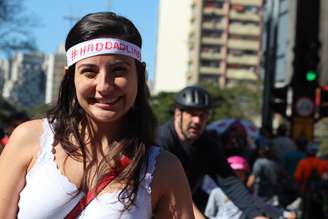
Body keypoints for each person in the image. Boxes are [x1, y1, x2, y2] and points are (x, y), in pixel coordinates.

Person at [0, 12, 195, 218]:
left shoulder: (164, 169)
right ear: (70, 77)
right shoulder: (29, 139)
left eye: (118, 70)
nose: (104, 86)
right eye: (89, 72)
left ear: (140, 74)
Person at [156, 85, 273, 219]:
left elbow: (229, 181)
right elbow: (171, 190)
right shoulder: (161, 140)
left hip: (186, 206)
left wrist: (256, 214)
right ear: (178, 114)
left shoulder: (207, 144)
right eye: (192, 114)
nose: (197, 121)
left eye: (203, 115)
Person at [205, 156, 295, 219]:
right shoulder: (216, 192)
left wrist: (285, 214)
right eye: (234, 175)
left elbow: (267, 208)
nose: (236, 178)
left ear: (245, 176)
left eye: (240, 175)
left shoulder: (247, 196)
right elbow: (208, 214)